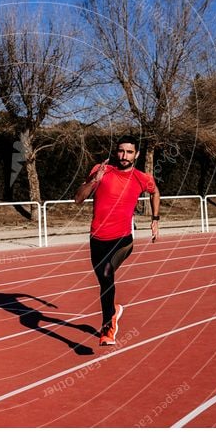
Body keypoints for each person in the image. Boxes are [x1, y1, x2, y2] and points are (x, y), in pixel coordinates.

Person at [75, 136, 160, 346]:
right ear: (116, 152)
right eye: (121, 151)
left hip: (122, 240)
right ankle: (113, 312)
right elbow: (78, 199)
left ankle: (107, 329)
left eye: (129, 152)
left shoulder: (142, 178)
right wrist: (95, 180)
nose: (124, 156)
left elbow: (155, 191)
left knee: (106, 274)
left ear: (137, 154)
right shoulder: (101, 170)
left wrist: (155, 219)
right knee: (104, 283)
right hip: (97, 238)